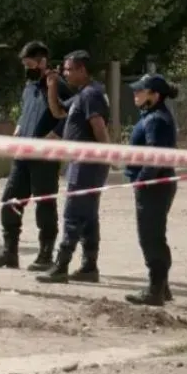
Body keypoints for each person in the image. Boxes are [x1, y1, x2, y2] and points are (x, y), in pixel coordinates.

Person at [0, 41, 71, 271]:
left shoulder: (57, 85)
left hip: (44, 156)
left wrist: (55, 135)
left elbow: (69, 114)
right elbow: (26, 113)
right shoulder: (29, 87)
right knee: (10, 201)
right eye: (24, 64)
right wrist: (19, 128)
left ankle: (45, 255)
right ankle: (9, 252)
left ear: (42, 62)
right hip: (23, 155)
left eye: (30, 64)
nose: (26, 68)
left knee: (45, 204)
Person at [37, 50, 111, 284]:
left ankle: (61, 266)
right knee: (88, 216)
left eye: (69, 69)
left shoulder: (91, 95)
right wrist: (52, 85)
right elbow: (58, 111)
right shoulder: (82, 95)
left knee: (73, 214)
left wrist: (103, 157)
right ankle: (89, 267)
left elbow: (99, 127)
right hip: (81, 163)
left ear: (82, 70)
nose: (65, 73)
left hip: (87, 164)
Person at [123, 74, 179, 306]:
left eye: (140, 91)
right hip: (157, 184)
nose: (135, 94)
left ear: (155, 95)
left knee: (150, 237)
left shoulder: (156, 119)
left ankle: (155, 290)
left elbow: (155, 157)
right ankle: (162, 288)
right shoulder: (152, 116)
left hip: (154, 186)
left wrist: (142, 181)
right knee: (154, 235)